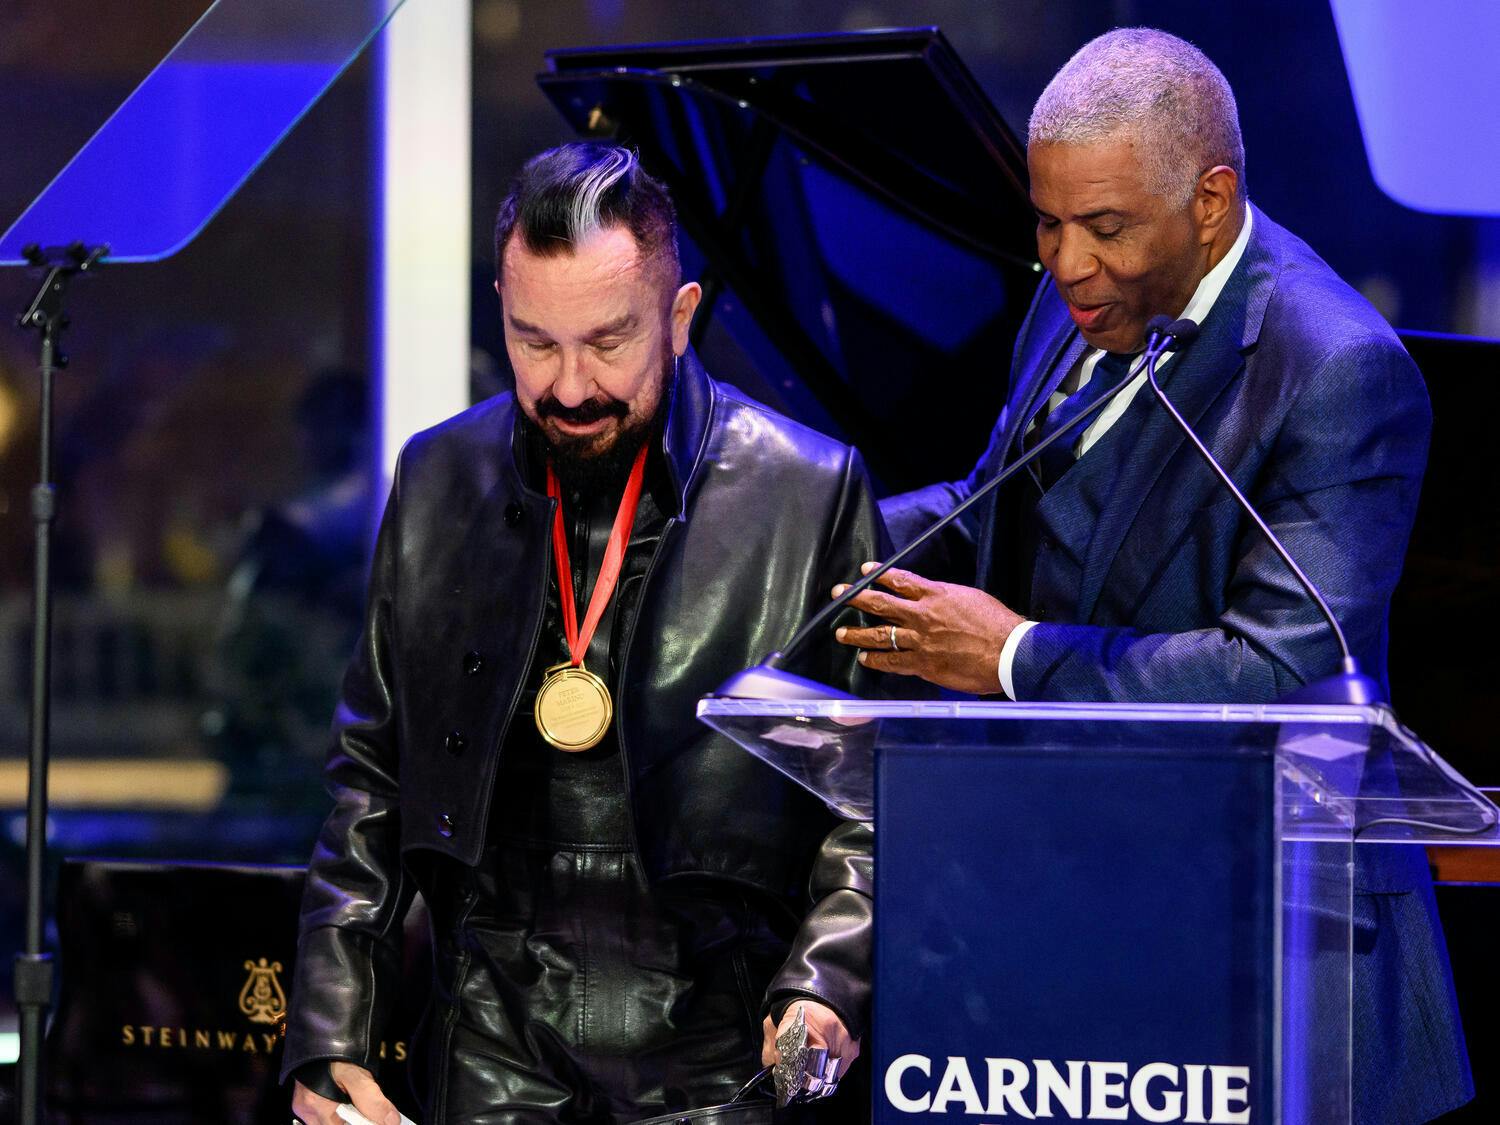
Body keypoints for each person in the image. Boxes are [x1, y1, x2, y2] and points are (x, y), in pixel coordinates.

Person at [834, 28, 1472, 1124]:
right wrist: (818, 535)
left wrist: (1015, 659)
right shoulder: (1073, 297)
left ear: (1212, 201)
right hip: (1082, 921)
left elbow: (1282, 673)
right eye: (1047, 221)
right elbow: (998, 496)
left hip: (1279, 954)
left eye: (1105, 228)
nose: (1066, 261)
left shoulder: (1338, 371)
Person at [283, 143, 878, 1125]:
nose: (567, 387)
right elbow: (372, 775)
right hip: (491, 1042)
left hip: (725, 1059)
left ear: (681, 318)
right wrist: (331, 1034)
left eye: (607, 342)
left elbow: (869, 791)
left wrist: (825, 981)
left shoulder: (809, 493)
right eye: (532, 342)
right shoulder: (438, 481)